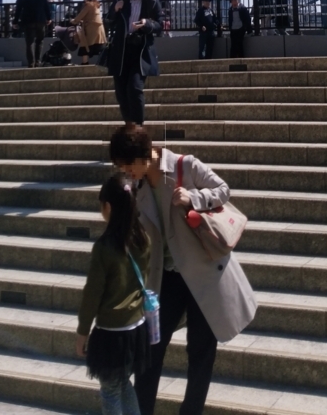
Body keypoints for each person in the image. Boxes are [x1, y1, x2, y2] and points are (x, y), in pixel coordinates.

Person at [109, 126, 257, 415]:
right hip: (167, 278)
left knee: (200, 352)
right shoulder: (137, 188)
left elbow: (223, 190)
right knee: (151, 349)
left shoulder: (184, 165)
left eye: (128, 165)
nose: (127, 172)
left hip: (203, 275)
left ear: (144, 156)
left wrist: (194, 198)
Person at [76, 173, 150, 415]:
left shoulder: (104, 248)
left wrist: (83, 332)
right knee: (122, 384)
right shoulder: (142, 239)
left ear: (107, 207)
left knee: (110, 391)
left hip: (111, 334)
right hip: (135, 329)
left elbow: (92, 294)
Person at [107, 0, 163, 127]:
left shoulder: (151, 1)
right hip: (121, 51)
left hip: (141, 52)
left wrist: (147, 24)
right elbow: (109, 22)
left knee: (134, 88)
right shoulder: (121, 1)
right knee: (121, 93)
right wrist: (114, 11)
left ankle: (138, 129)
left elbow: (160, 25)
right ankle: (129, 127)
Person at [14, 0, 52, 69]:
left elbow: (19, 8)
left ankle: (31, 63)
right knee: (40, 41)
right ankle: (37, 62)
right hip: (40, 20)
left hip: (28, 20)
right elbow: (46, 6)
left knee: (29, 42)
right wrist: (49, 18)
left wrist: (15, 21)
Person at [72, 0, 107, 65]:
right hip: (99, 29)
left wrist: (73, 21)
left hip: (91, 30)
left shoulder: (89, 5)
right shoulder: (96, 5)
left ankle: (85, 63)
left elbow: (80, 16)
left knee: (85, 45)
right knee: (99, 46)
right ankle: (103, 62)